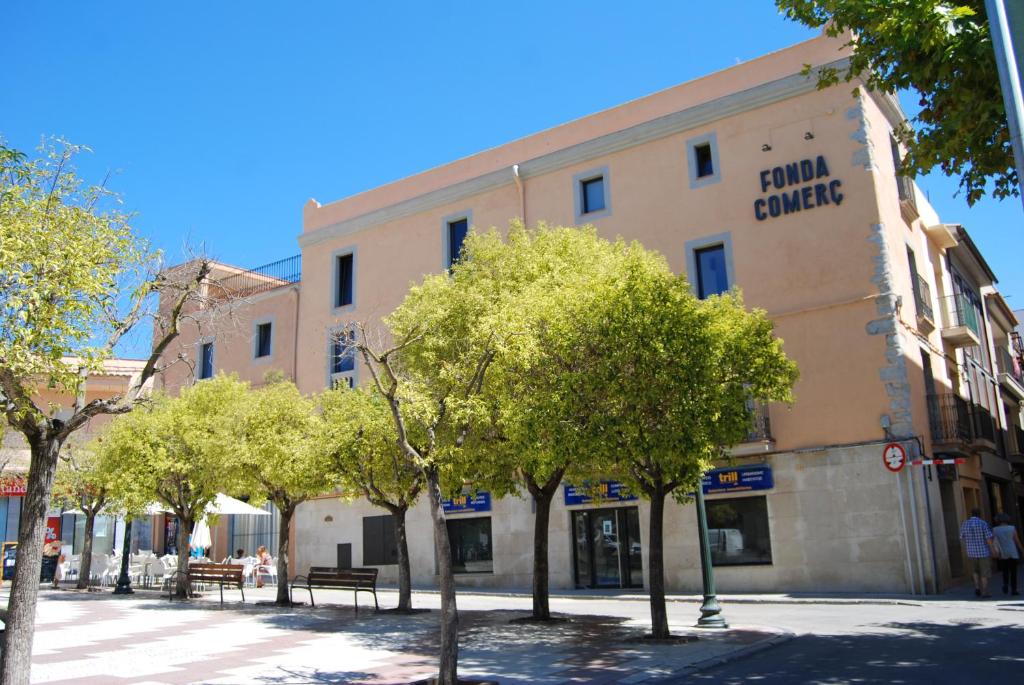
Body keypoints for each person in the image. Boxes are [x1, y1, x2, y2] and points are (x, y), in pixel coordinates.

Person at [960, 508, 996, 598]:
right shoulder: (983, 523)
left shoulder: (965, 524)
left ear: (971, 514)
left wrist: (968, 545)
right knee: (984, 572)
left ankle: (977, 587)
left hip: (971, 552)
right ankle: (985, 591)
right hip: (983, 552)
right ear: (979, 514)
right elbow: (988, 539)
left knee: (975, 571)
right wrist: (993, 550)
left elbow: (962, 537)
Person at [992, 513, 1023, 596]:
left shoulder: (995, 530)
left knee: (1005, 571)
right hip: (1013, 552)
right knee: (1013, 572)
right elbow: (1017, 540)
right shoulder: (1012, 528)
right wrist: (1022, 550)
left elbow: (994, 542)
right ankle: (1014, 590)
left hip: (1003, 553)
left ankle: (1005, 584)